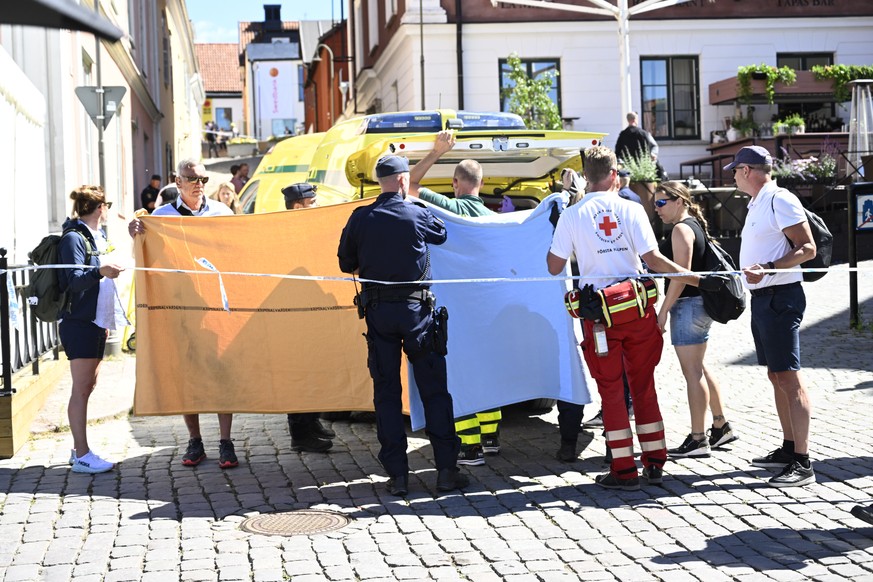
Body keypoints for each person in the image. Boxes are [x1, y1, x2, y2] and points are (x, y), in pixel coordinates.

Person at [546, 145, 719, 490]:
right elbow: (653, 259)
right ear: (613, 175)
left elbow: (553, 267)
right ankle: (655, 462)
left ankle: (623, 471)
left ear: (585, 175)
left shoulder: (572, 215)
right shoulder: (632, 208)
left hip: (599, 319)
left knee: (611, 392)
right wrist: (696, 278)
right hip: (637, 310)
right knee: (643, 386)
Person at [337, 155, 469, 496]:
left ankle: (397, 476)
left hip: (379, 314)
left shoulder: (360, 217)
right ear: (402, 181)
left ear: (381, 181)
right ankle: (446, 471)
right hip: (417, 313)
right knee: (434, 392)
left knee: (387, 395)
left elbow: (345, 263)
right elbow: (441, 235)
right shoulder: (417, 212)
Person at [128, 158, 239, 469]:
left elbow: (237, 252)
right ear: (178, 180)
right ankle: (195, 440)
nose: (199, 184)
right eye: (192, 178)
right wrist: (135, 232)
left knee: (221, 373)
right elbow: (145, 257)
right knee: (187, 374)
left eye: (203, 178)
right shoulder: (160, 217)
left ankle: (226, 442)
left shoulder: (222, 212)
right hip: (180, 308)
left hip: (217, 307)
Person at [407, 130, 501, 467]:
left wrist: (435, 152)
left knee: (460, 375)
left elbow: (410, 186)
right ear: (481, 181)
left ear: (455, 182)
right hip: (490, 309)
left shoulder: (449, 205)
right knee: (489, 371)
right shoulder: (495, 220)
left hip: (458, 309)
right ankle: (491, 439)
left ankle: (471, 447)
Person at [726, 145, 816, 488]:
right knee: (777, 376)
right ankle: (790, 447)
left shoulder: (780, 199)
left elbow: (807, 249)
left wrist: (768, 268)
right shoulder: (757, 202)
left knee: (789, 379)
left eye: (735, 170)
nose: (733, 176)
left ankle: (803, 462)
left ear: (747, 170)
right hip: (764, 298)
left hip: (781, 298)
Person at [654, 181, 738, 458]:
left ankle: (698, 438)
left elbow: (681, 276)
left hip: (688, 306)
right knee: (699, 367)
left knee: (692, 373)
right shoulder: (694, 226)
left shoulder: (681, 229)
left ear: (678, 200)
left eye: (661, 202)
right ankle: (721, 425)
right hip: (698, 306)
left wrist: (664, 309)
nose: (657, 209)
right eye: (655, 203)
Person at [58, 185, 126, 473]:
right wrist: (100, 271)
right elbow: (72, 280)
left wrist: (106, 320)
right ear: (101, 208)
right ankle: (83, 454)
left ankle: (78, 450)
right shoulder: (74, 237)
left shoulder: (96, 236)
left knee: (87, 386)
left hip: (95, 321)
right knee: (82, 388)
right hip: (79, 323)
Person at [281, 182, 336, 453]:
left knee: (314, 370)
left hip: (311, 313)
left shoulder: (306, 231)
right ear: (299, 205)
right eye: (312, 202)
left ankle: (311, 421)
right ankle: (300, 434)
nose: (316, 206)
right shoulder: (287, 233)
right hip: (294, 318)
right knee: (298, 374)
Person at [615, 112, 666, 181]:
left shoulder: (622, 135)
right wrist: (653, 154)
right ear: (635, 120)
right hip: (644, 169)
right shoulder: (644, 133)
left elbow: (617, 152)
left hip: (627, 169)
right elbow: (654, 146)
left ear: (628, 120)